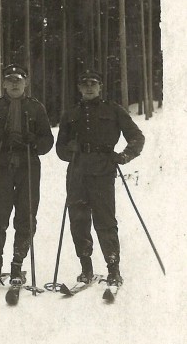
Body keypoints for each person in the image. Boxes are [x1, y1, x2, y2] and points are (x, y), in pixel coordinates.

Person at [55, 69, 144, 286]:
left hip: (103, 172)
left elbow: (136, 137)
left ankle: (113, 269)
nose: (88, 87)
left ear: (100, 87)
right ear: (79, 88)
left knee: (105, 221)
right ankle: (86, 269)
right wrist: (70, 150)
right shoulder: (71, 113)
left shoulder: (113, 110)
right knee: (78, 220)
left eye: (93, 83)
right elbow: (60, 149)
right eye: (84, 83)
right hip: (77, 172)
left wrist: (123, 156)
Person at [0, 65, 54, 286]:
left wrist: (34, 142)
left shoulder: (36, 107)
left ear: (26, 83)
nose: (15, 84)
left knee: (26, 215)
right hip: (1, 163)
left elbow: (48, 140)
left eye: (19, 80)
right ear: (4, 84)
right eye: (10, 80)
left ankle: (17, 264)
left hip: (28, 164)